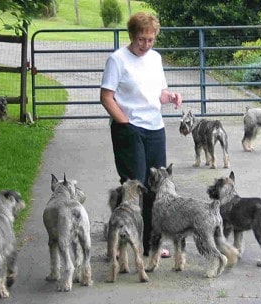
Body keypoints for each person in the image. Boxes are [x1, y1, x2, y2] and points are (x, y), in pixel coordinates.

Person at [100, 12, 182, 258]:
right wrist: (125, 123)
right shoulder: (117, 60)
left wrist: (170, 96)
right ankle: (122, 242)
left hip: (155, 128)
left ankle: (151, 242)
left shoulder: (155, 59)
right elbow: (106, 97)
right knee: (135, 187)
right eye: (141, 40)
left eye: (151, 40)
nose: (146, 45)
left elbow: (159, 92)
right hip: (129, 129)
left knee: (157, 188)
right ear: (132, 35)